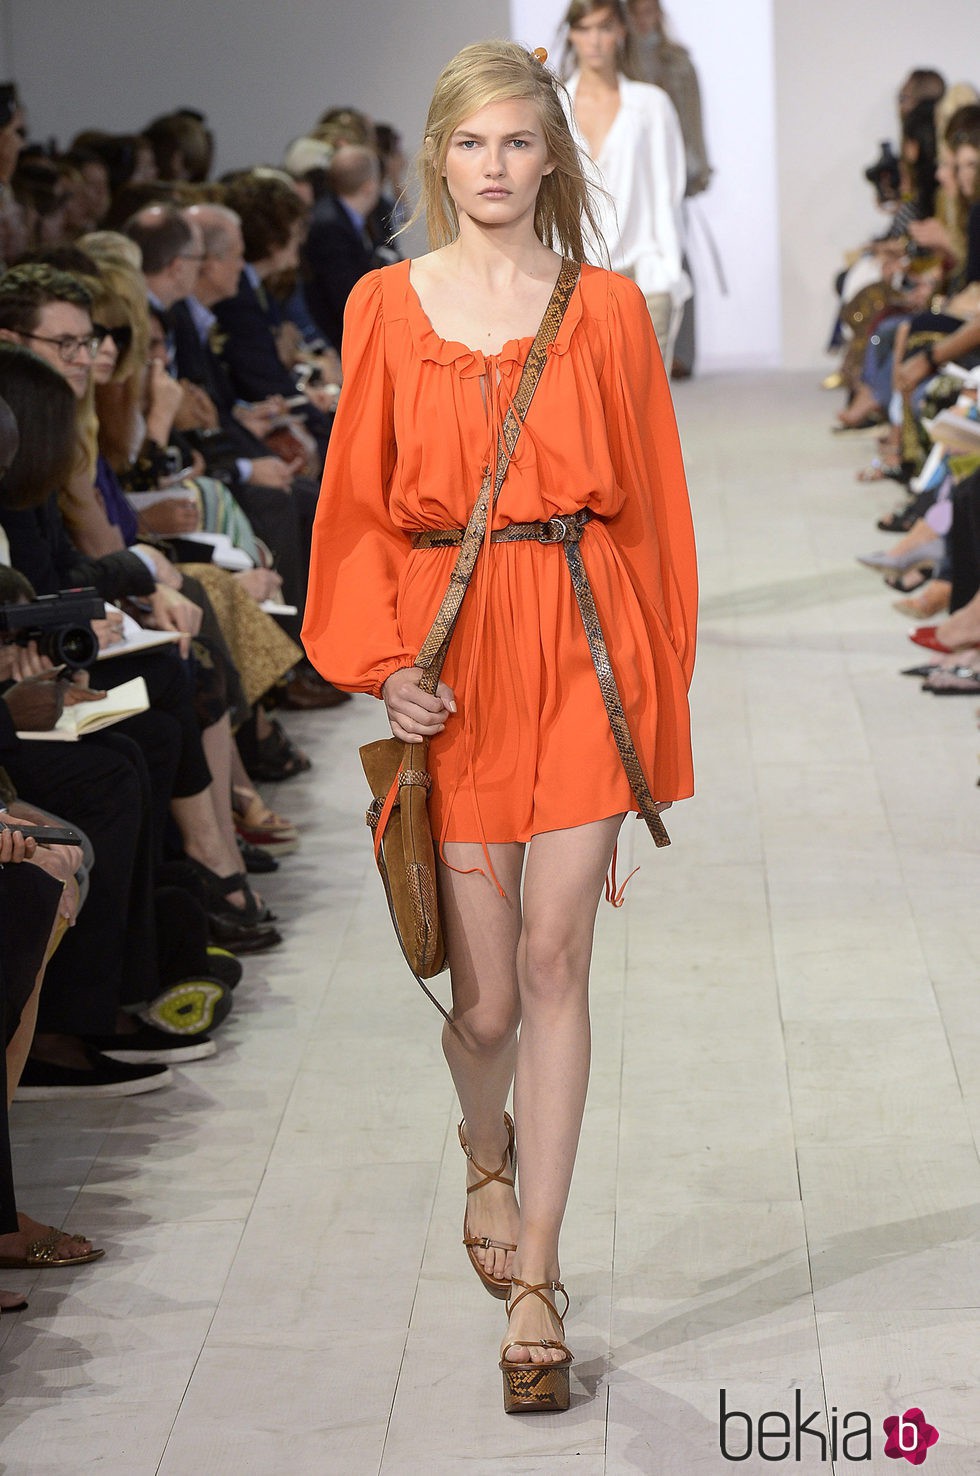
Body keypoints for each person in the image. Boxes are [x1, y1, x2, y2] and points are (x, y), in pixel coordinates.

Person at [302, 40, 696, 1411]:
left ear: (552, 158)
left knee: (553, 962)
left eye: (519, 143)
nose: (495, 167)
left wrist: (656, 692)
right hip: (453, 657)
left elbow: (653, 515)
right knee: (479, 1006)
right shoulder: (382, 306)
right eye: (472, 144)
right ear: (438, 156)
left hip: (582, 643)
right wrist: (376, 667)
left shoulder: (611, 312)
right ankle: (487, 1148)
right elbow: (353, 499)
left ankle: (538, 1276)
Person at [561, 0, 689, 366]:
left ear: (621, 31)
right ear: (572, 35)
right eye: (584, 29)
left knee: (647, 410)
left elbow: (669, 191)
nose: (595, 41)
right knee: (586, 406)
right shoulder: (555, 106)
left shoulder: (652, 106)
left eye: (604, 27)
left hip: (644, 275)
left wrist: (667, 271)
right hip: (575, 275)